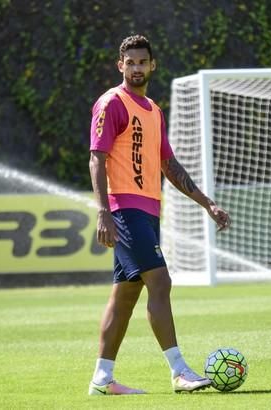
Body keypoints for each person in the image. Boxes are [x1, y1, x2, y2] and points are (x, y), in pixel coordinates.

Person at [87, 34, 231, 395]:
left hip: (149, 212)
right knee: (161, 283)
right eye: (129, 62)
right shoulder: (111, 103)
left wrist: (207, 203)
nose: (136, 68)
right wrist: (103, 211)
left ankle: (102, 380)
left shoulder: (153, 110)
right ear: (120, 65)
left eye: (142, 62)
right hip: (124, 209)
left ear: (152, 66)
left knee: (124, 297)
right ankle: (180, 371)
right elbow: (96, 158)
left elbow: (169, 164)